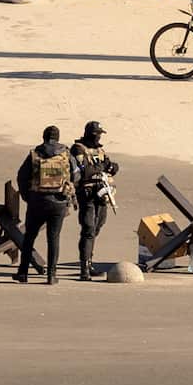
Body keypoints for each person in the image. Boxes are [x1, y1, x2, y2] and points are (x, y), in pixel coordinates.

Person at [14, 125, 78, 285]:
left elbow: (21, 177)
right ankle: (51, 275)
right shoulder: (66, 153)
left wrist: (27, 197)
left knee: (29, 237)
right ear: (58, 137)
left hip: (37, 201)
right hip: (59, 202)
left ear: (43, 137)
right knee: (53, 238)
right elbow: (77, 174)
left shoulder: (34, 154)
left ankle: (23, 273)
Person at [70, 120, 119, 281]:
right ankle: (84, 269)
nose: (98, 137)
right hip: (87, 194)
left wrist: (112, 167)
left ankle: (89, 262)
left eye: (100, 134)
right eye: (96, 134)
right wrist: (102, 167)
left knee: (98, 226)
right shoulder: (78, 149)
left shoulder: (100, 149)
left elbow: (109, 165)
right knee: (88, 229)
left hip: (102, 193)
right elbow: (84, 172)